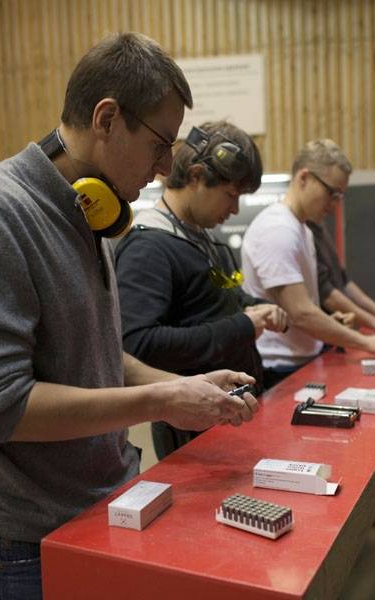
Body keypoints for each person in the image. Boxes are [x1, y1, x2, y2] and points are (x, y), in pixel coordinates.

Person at [0, 33, 259, 600]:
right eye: (158, 145)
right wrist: (163, 401)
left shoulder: (91, 213)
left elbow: (98, 354)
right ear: (106, 118)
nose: (163, 168)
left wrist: (184, 385)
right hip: (24, 546)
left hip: (103, 505)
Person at [113, 120, 288, 459]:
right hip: (192, 429)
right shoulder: (148, 248)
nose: (235, 210)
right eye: (230, 195)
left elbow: (224, 298)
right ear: (195, 176)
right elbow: (137, 345)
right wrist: (243, 326)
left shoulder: (205, 240)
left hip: (230, 415)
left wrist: (256, 307)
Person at [241, 139, 375, 387]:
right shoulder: (277, 229)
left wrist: (333, 325)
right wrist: (368, 341)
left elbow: (307, 307)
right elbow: (301, 313)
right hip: (280, 369)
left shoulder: (301, 228)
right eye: (331, 192)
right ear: (304, 177)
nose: (335, 203)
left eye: (340, 195)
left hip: (301, 360)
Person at [306, 219, 375, 332]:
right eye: (332, 200)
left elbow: (344, 281)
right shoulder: (303, 232)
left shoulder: (319, 227)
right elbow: (328, 296)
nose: (333, 204)